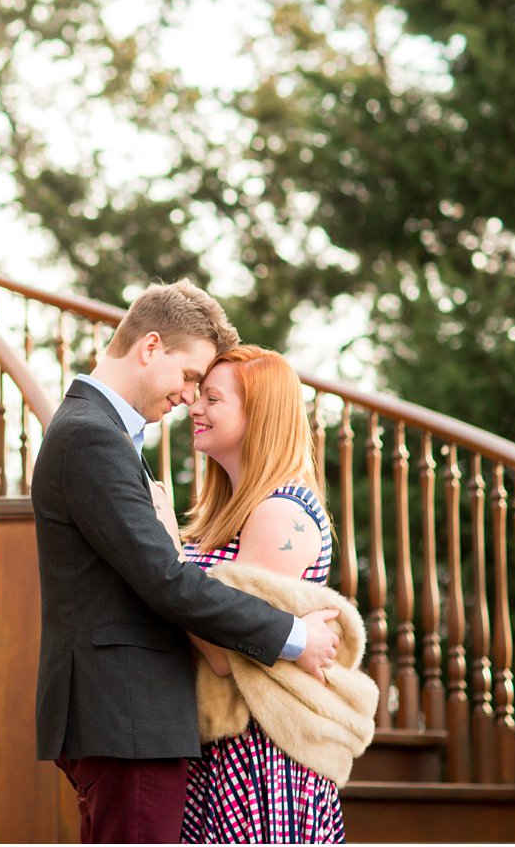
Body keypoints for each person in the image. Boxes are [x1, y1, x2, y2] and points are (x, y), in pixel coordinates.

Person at [31, 281, 340, 845]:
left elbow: (166, 578)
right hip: (129, 719)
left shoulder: (99, 435)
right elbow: (165, 580)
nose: (191, 398)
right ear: (150, 347)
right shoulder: (92, 438)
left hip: (165, 733)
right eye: (192, 377)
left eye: (207, 390)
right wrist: (292, 635)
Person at [178, 345, 350, 843]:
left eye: (213, 398)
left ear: (260, 418)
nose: (195, 407)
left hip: (259, 754)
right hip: (225, 742)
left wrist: (162, 576)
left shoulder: (281, 515)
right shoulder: (232, 512)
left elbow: (223, 652)